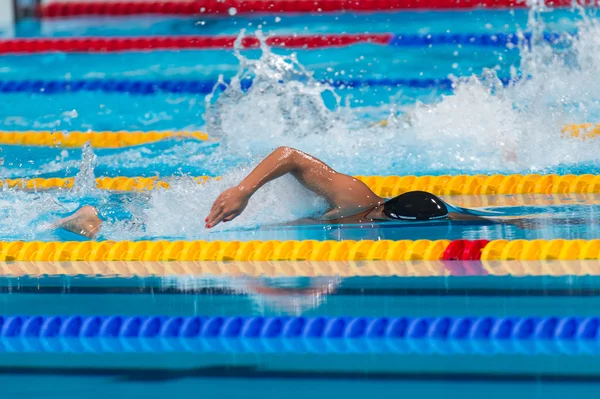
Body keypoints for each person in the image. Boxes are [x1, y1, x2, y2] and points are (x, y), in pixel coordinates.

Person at [56, 146, 509, 239]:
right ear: (386, 212)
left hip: (255, 219)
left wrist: (517, 224)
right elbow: (288, 154)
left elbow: (453, 214)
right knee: (153, 227)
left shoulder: (381, 215)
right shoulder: (355, 198)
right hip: (232, 203)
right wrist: (244, 190)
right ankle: (92, 216)